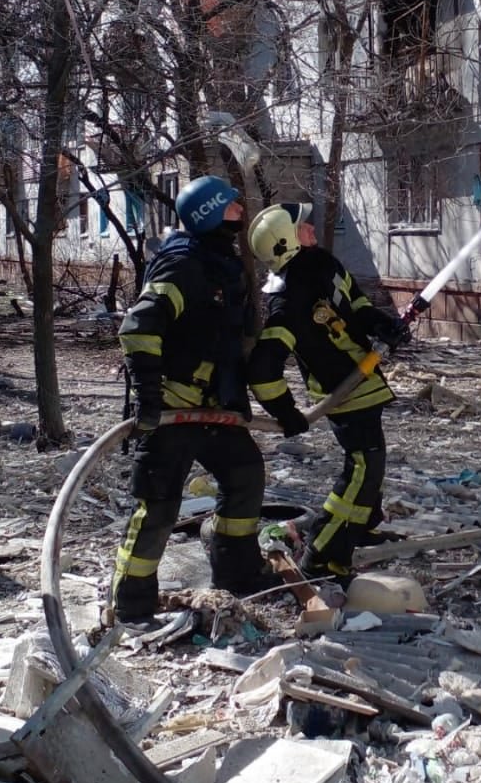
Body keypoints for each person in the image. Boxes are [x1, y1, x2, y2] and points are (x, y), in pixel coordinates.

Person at [112, 175, 273, 622]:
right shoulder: (183, 266)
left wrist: (236, 394)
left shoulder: (220, 263)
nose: (241, 211)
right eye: (231, 205)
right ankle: (131, 604)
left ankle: (238, 573)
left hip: (213, 408)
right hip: (172, 407)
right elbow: (138, 328)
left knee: (245, 474)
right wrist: (148, 398)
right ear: (208, 212)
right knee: (158, 507)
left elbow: (225, 339)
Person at [247, 202, 408, 581]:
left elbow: (356, 306)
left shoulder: (323, 265)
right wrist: (286, 412)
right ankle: (322, 552)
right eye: (303, 225)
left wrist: (384, 327)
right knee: (364, 466)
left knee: (372, 465)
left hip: (364, 383)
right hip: (342, 391)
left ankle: (361, 527)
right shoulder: (286, 299)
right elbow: (263, 367)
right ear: (287, 241)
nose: (312, 227)